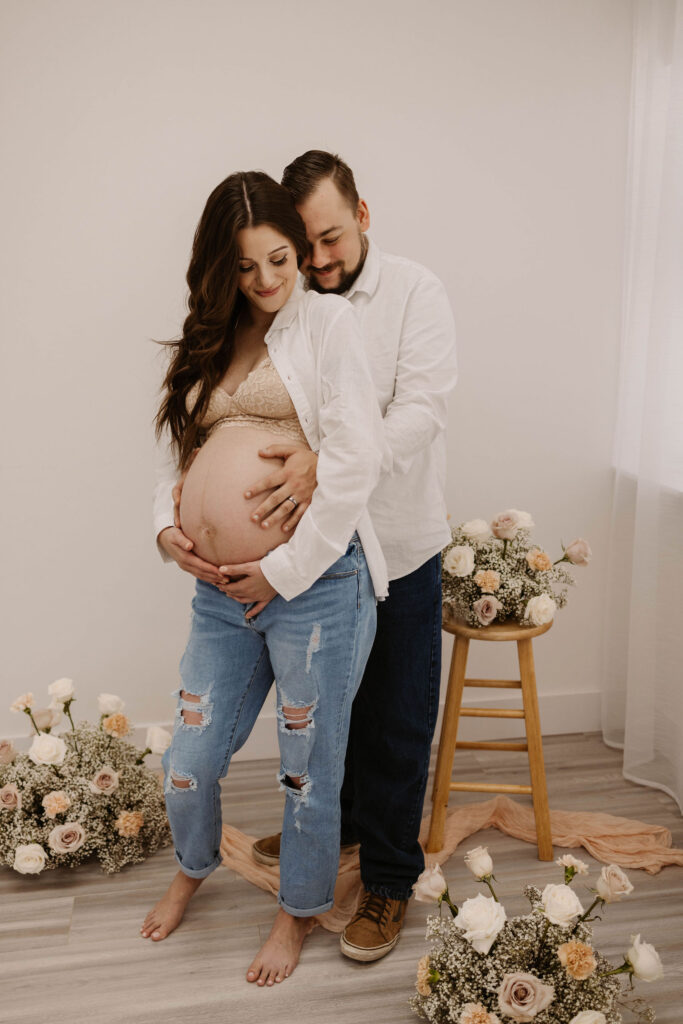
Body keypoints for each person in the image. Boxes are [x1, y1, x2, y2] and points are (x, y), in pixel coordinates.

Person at [144, 170, 389, 987]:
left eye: (279, 260)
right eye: (245, 267)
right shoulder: (214, 334)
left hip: (315, 591)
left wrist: (280, 571)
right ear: (221, 268)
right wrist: (170, 528)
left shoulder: (330, 327)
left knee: (305, 768)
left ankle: (297, 909)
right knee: (189, 759)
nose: (266, 281)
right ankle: (194, 863)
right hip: (218, 594)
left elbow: (354, 463)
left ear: (298, 248)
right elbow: (184, 456)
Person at [246, 152, 458, 962]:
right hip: (316, 555)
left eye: (330, 237)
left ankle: (391, 882)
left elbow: (420, 411)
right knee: (320, 717)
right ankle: (328, 834)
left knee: (396, 723)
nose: (319, 260)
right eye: (306, 245)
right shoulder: (290, 304)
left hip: (397, 548)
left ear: (363, 214)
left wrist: (331, 460)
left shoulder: (414, 293)